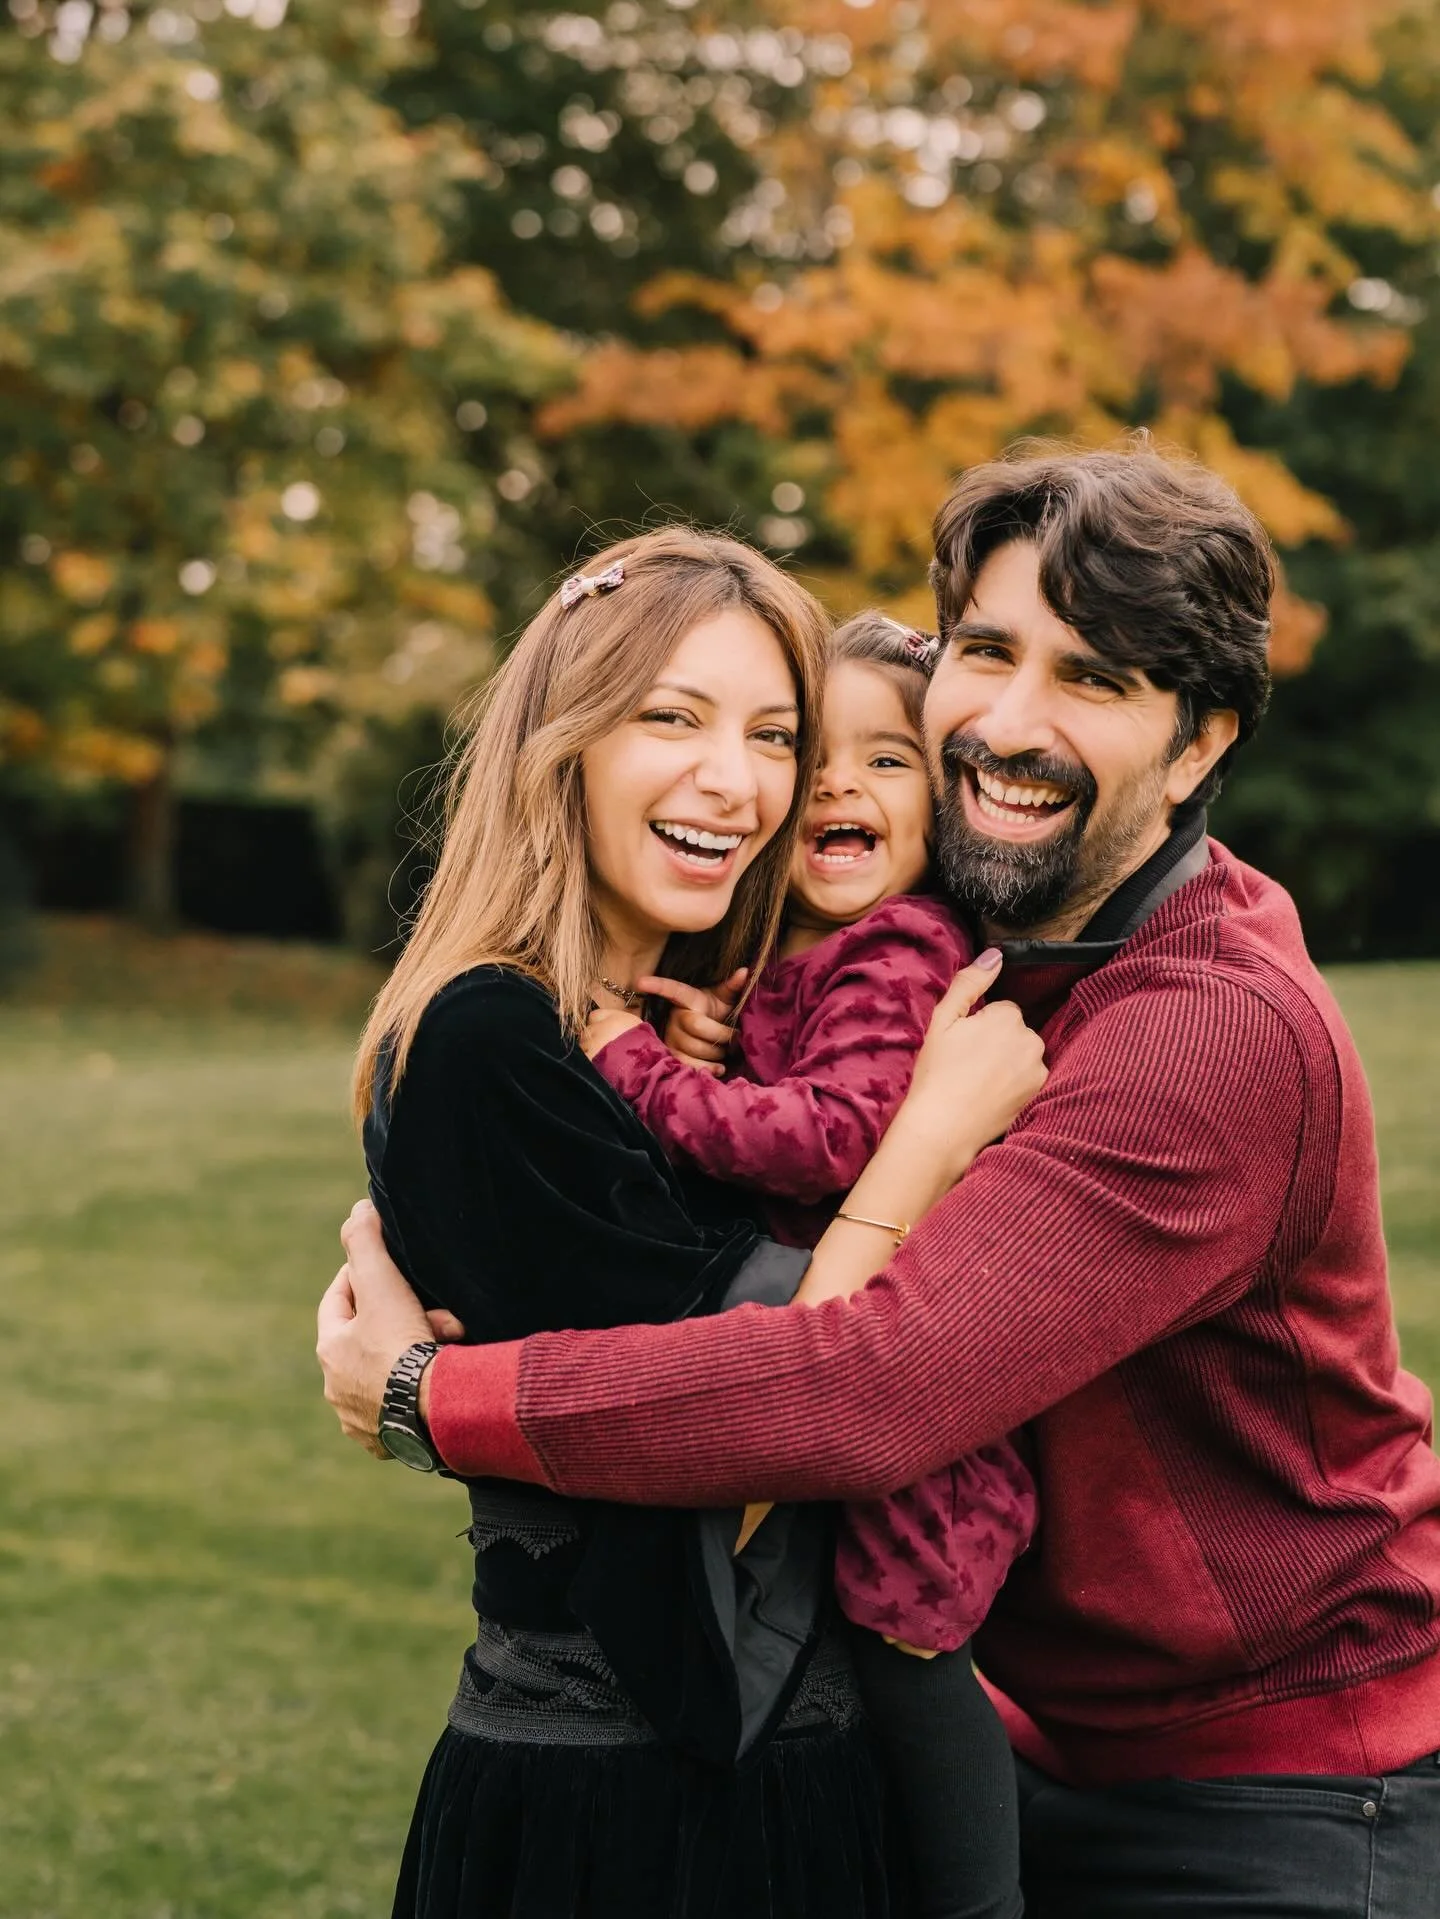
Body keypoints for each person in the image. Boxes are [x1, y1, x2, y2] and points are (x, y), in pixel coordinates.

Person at [321, 445, 1440, 1916]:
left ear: (1195, 747)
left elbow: (871, 1389)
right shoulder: (985, 947)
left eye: (1092, 679)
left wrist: (432, 1397)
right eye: (986, 651)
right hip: (1049, 1743)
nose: (1010, 724)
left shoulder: (1203, 1029)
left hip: (1278, 1799)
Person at [345, 524, 1046, 1918]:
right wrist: (926, 1140)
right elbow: (755, 1443)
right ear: (560, 746)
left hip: (801, 1775)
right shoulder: (491, 1041)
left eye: (775, 734)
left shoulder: (688, 1035)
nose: (740, 779)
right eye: (673, 717)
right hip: (634, 1819)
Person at [584, 609, 1036, 1918]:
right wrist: (720, 1043)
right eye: (813, 756)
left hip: (913, 1408)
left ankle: (982, 1901)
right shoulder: (816, 952)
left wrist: (637, 1063)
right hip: (841, 1346)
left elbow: (832, 1135)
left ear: (945, 804)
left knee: (907, 1641)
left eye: (887, 760)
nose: (840, 785)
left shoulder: (900, 947)